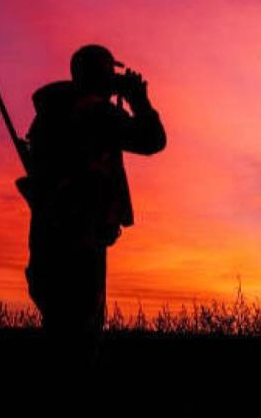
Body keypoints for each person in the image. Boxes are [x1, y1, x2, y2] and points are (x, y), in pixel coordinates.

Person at [23, 44, 166, 375]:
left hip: (49, 236)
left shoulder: (50, 113)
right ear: (100, 75)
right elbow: (152, 140)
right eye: (109, 73)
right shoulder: (92, 112)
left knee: (59, 334)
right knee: (79, 343)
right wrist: (138, 99)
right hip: (80, 240)